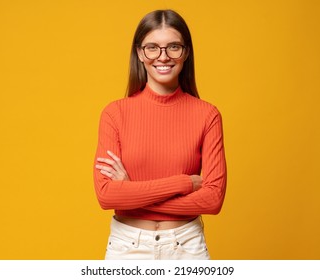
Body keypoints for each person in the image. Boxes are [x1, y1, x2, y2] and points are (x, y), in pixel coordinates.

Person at [93, 9, 227, 260]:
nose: (163, 57)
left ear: (186, 52)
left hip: (186, 247)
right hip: (128, 248)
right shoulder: (115, 114)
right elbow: (106, 195)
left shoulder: (207, 115)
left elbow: (212, 200)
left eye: (173, 47)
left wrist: (131, 193)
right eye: (152, 47)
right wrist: (184, 183)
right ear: (140, 53)